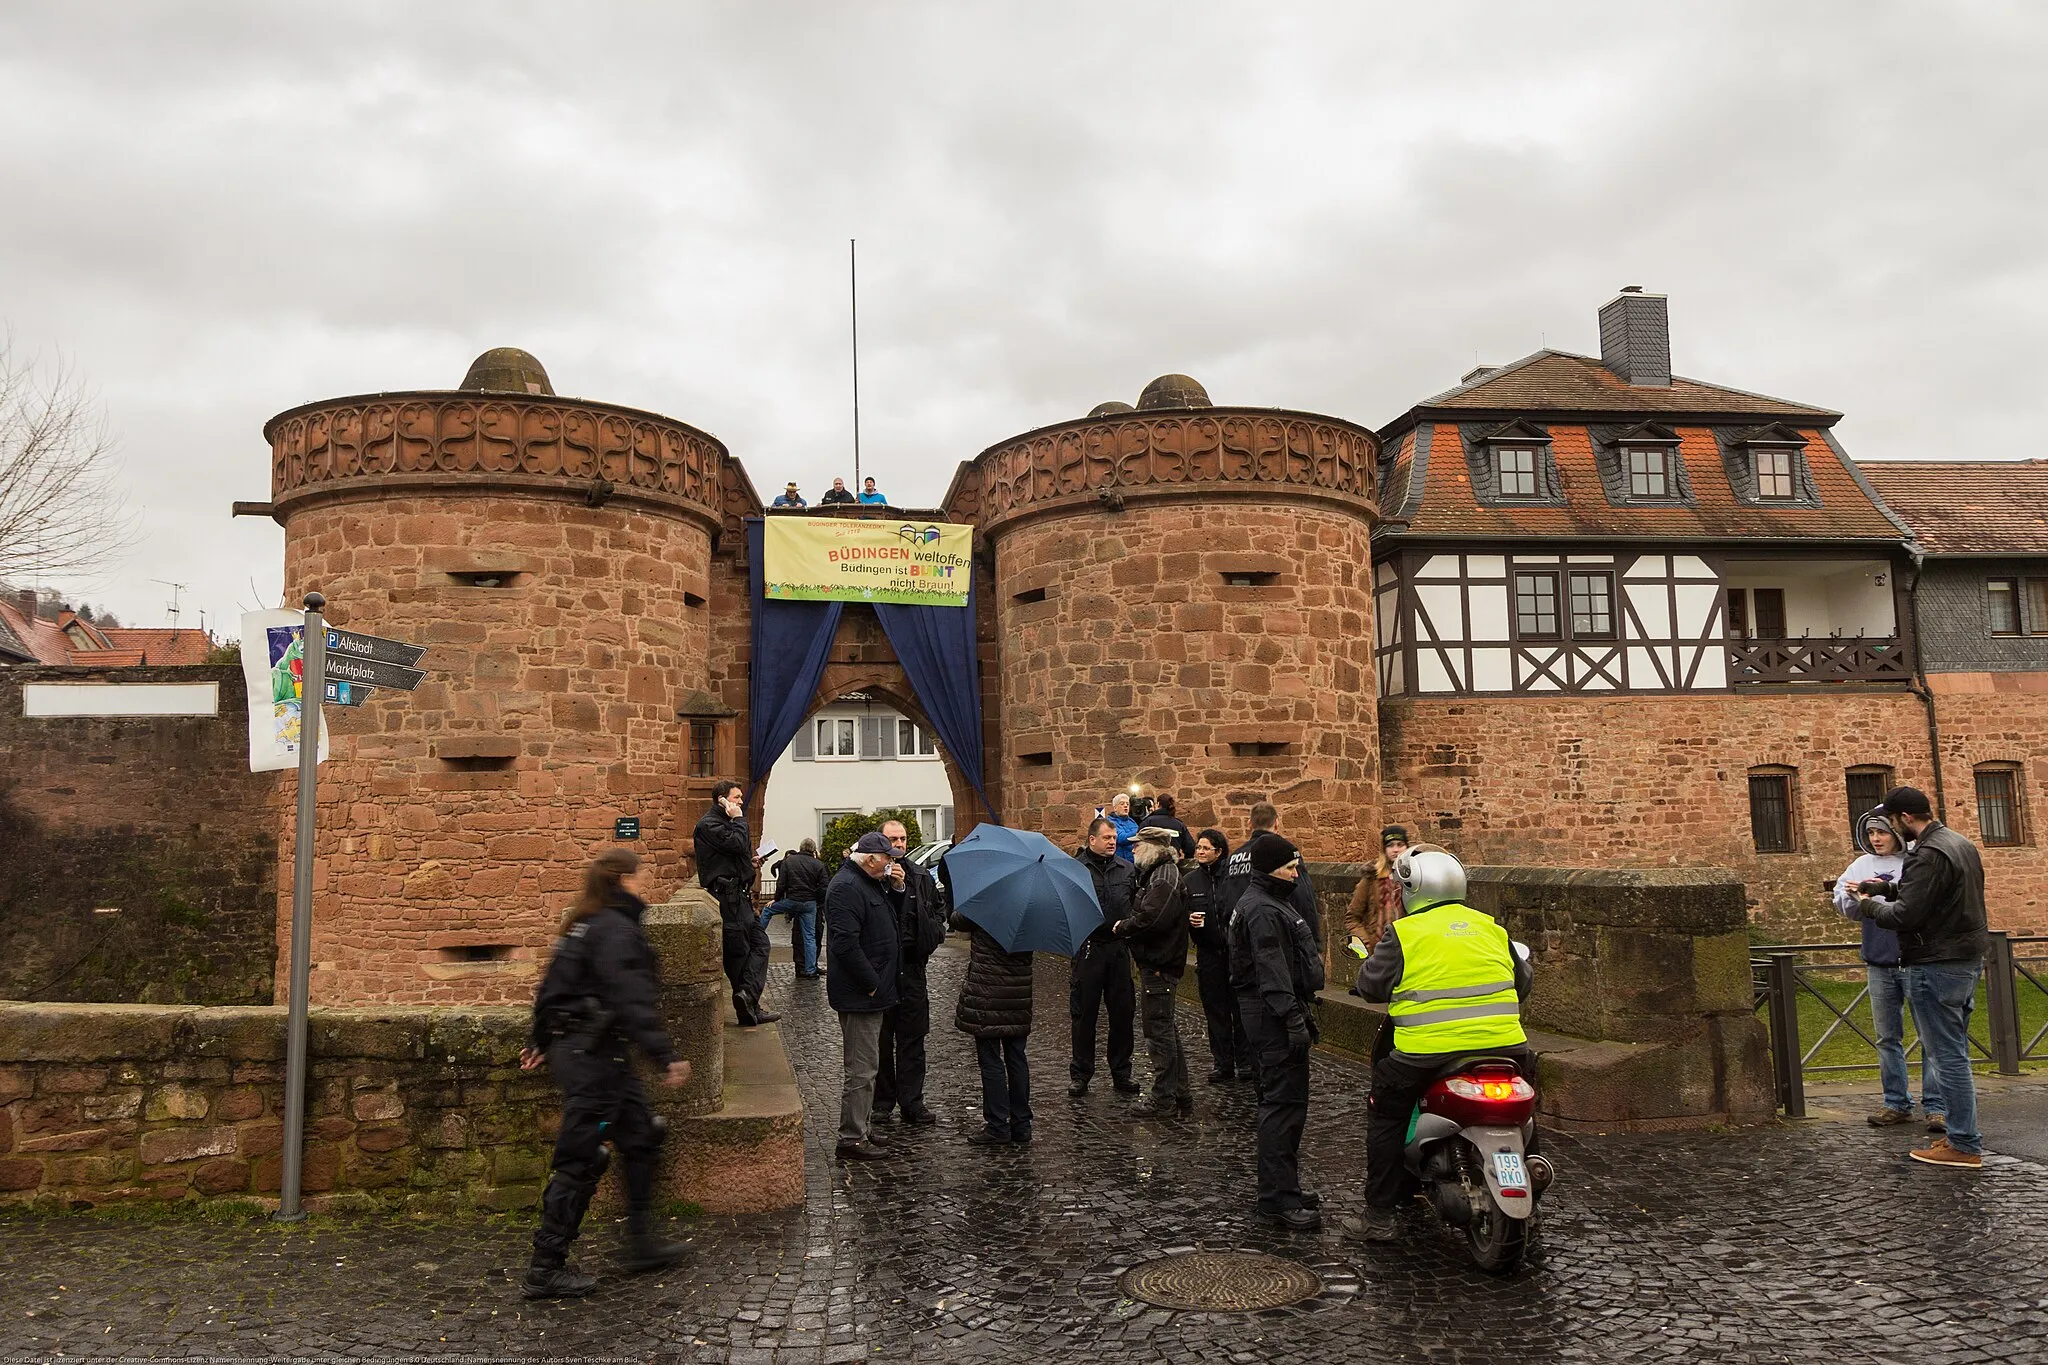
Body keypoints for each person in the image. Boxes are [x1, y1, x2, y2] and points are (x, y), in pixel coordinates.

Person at [520, 848, 694, 1298]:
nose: (646, 885)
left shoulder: (584, 923)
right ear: (623, 881)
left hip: (593, 1053)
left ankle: (641, 1242)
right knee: (582, 1158)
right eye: (642, 877)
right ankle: (546, 1265)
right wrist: (665, 1054)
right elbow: (630, 997)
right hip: (593, 1060)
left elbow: (551, 991)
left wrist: (541, 1041)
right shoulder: (613, 929)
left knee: (641, 1136)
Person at [1354, 846, 1535, 1242]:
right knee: (1525, 1110)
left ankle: (1380, 1215)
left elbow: (1371, 986)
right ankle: (1532, 1177)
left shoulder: (1404, 933)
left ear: (1415, 891)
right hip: (1508, 1049)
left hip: (1426, 1054)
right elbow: (1523, 984)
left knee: (1386, 1115)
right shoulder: (1491, 927)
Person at [1849, 786, 1990, 1170]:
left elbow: (1905, 916)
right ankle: (1961, 1134)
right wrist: (1887, 887)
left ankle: (1963, 1143)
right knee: (1953, 1052)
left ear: (1904, 819)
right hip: (1965, 958)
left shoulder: (1926, 854)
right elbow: (1936, 893)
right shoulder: (1958, 842)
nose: (1891, 830)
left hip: (1935, 963)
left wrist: (1869, 904)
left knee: (1948, 1058)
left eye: (1892, 823)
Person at [1229, 833, 1327, 1230]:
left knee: (1285, 1105)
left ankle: (1284, 1185)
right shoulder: (1264, 910)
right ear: (1271, 870)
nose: (1295, 873)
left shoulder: (1263, 903)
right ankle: (1276, 1198)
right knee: (1282, 1107)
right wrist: (1292, 1020)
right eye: (1289, 868)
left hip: (1270, 1015)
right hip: (1272, 1020)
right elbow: (1273, 973)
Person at [1834, 808, 1942, 1129]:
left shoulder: (1917, 861)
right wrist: (1854, 896)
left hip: (1916, 959)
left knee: (1930, 1036)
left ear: (1896, 832)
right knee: (1886, 1037)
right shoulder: (1861, 864)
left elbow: (1924, 905)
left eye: (1881, 832)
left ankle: (1936, 1105)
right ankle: (1896, 1101)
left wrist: (1879, 897)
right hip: (1879, 960)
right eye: (1871, 834)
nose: (1876, 839)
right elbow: (1843, 903)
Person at [826, 831, 902, 1160]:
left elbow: (889, 918)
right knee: (861, 1069)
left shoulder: (867, 881)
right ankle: (851, 1138)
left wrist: (896, 887)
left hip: (873, 991)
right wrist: (871, 983)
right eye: (887, 858)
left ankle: (862, 1127)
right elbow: (844, 944)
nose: (891, 862)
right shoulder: (846, 887)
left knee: (868, 1066)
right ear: (870, 859)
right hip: (861, 994)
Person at [874, 819, 948, 1127]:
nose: (900, 844)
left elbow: (938, 912)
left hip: (913, 967)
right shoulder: (872, 877)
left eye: (903, 838)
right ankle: (881, 1103)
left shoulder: (919, 875)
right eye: (893, 838)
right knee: (881, 1040)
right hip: (882, 970)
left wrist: (930, 937)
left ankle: (912, 1101)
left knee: (913, 1039)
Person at [1114, 825, 1193, 1118]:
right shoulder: (1159, 875)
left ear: (1152, 848)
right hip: (1157, 963)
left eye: (1137, 844)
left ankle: (1164, 1098)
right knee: (1166, 1030)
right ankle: (1179, 1093)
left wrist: (1124, 927)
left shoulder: (1163, 878)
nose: (1132, 848)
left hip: (1159, 965)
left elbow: (1151, 919)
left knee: (1159, 1033)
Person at [953, 884, 1036, 1146]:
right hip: (1018, 994)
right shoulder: (1032, 906)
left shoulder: (985, 899)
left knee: (990, 1061)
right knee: (1017, 1058)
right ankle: (1022, 1125)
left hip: (987, 993)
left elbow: (956, 920)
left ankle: (998, 1125)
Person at [694, 781, 777, 1026]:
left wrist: (748, 863)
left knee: (760, 944)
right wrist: (739, 819)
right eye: (737, 797)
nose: (741, 802)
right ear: (723, 799)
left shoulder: (725, 824)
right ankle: (748, 1008)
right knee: (738, 952)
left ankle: (747, 996)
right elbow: (737, 843)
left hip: (738, 897)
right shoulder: (709, 824)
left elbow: (732, 853)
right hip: (727, 898)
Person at [1070, 817, 1140, 1098]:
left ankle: (1121, 1072)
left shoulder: (1127, 869)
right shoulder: (1077, 869)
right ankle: (1081, 1074)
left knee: (1123, 1014)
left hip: (1118, 948)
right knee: (1084, 1014)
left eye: (1114, 838)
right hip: (1089, 947)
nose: (1113, 841)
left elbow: (1135, 903)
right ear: (1092, 840)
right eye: (1107, 837)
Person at [1186, 828, 1247, 1084]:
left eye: (1205, 848)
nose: (1199, 852)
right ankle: (1223, 1063)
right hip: (1208, 953)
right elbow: (1182, 915)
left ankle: (1245, 1063)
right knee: (1215, 1011)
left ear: (1219, 852)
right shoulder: (1190, 881)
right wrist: (1189, 921)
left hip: (1235, 954)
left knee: (1241, 1010)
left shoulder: (1233, 879)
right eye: (1198, 848)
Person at [1221, 801, 1321, 939]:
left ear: (1249, 823)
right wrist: (1313, 940)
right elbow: (1302, 897)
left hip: (1241, 935)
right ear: (1276, 823)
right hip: (1276, 932)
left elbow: (1226, 900)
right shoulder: (1285, 852)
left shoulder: (1234, 858)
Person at [762, 839, 829, 978]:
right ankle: (811, 969)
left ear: (800, 847)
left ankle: (758, 932)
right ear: (813, 850)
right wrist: (816, 899)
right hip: (810, 903)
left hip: (792, 900)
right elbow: (824, 887)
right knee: (809, 937)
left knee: (768, 910)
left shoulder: (789, 861)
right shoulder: (819, 865)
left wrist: (777, 899)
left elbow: (781, 883)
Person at [1345, 826, 1410, 959]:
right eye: (1390, 845)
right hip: (1379, 953)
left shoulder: (1415, 877)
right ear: (1384, 850)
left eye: (1400, 845)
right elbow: (1352, 917)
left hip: (1408, 950)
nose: (1396, 849)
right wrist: (1367, 944)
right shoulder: (1372, 878)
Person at [1138, 793, 1196, 859]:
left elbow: (1138, 842)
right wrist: (1187, 859)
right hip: (1173, 863)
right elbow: (1190, 847)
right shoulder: (1179, 825)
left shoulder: (1148, 822)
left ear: (1158, 804)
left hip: (1151, 864)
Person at [1099, 792, 1139, 863]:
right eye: (1122, 804)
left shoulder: (1132, 821)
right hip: (1120, 862)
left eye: (1127, 804)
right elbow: (1121, 838)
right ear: (1115, 808)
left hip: (1134, 860)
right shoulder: (1110, 822)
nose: (1125, 806)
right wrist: (1139, 831)